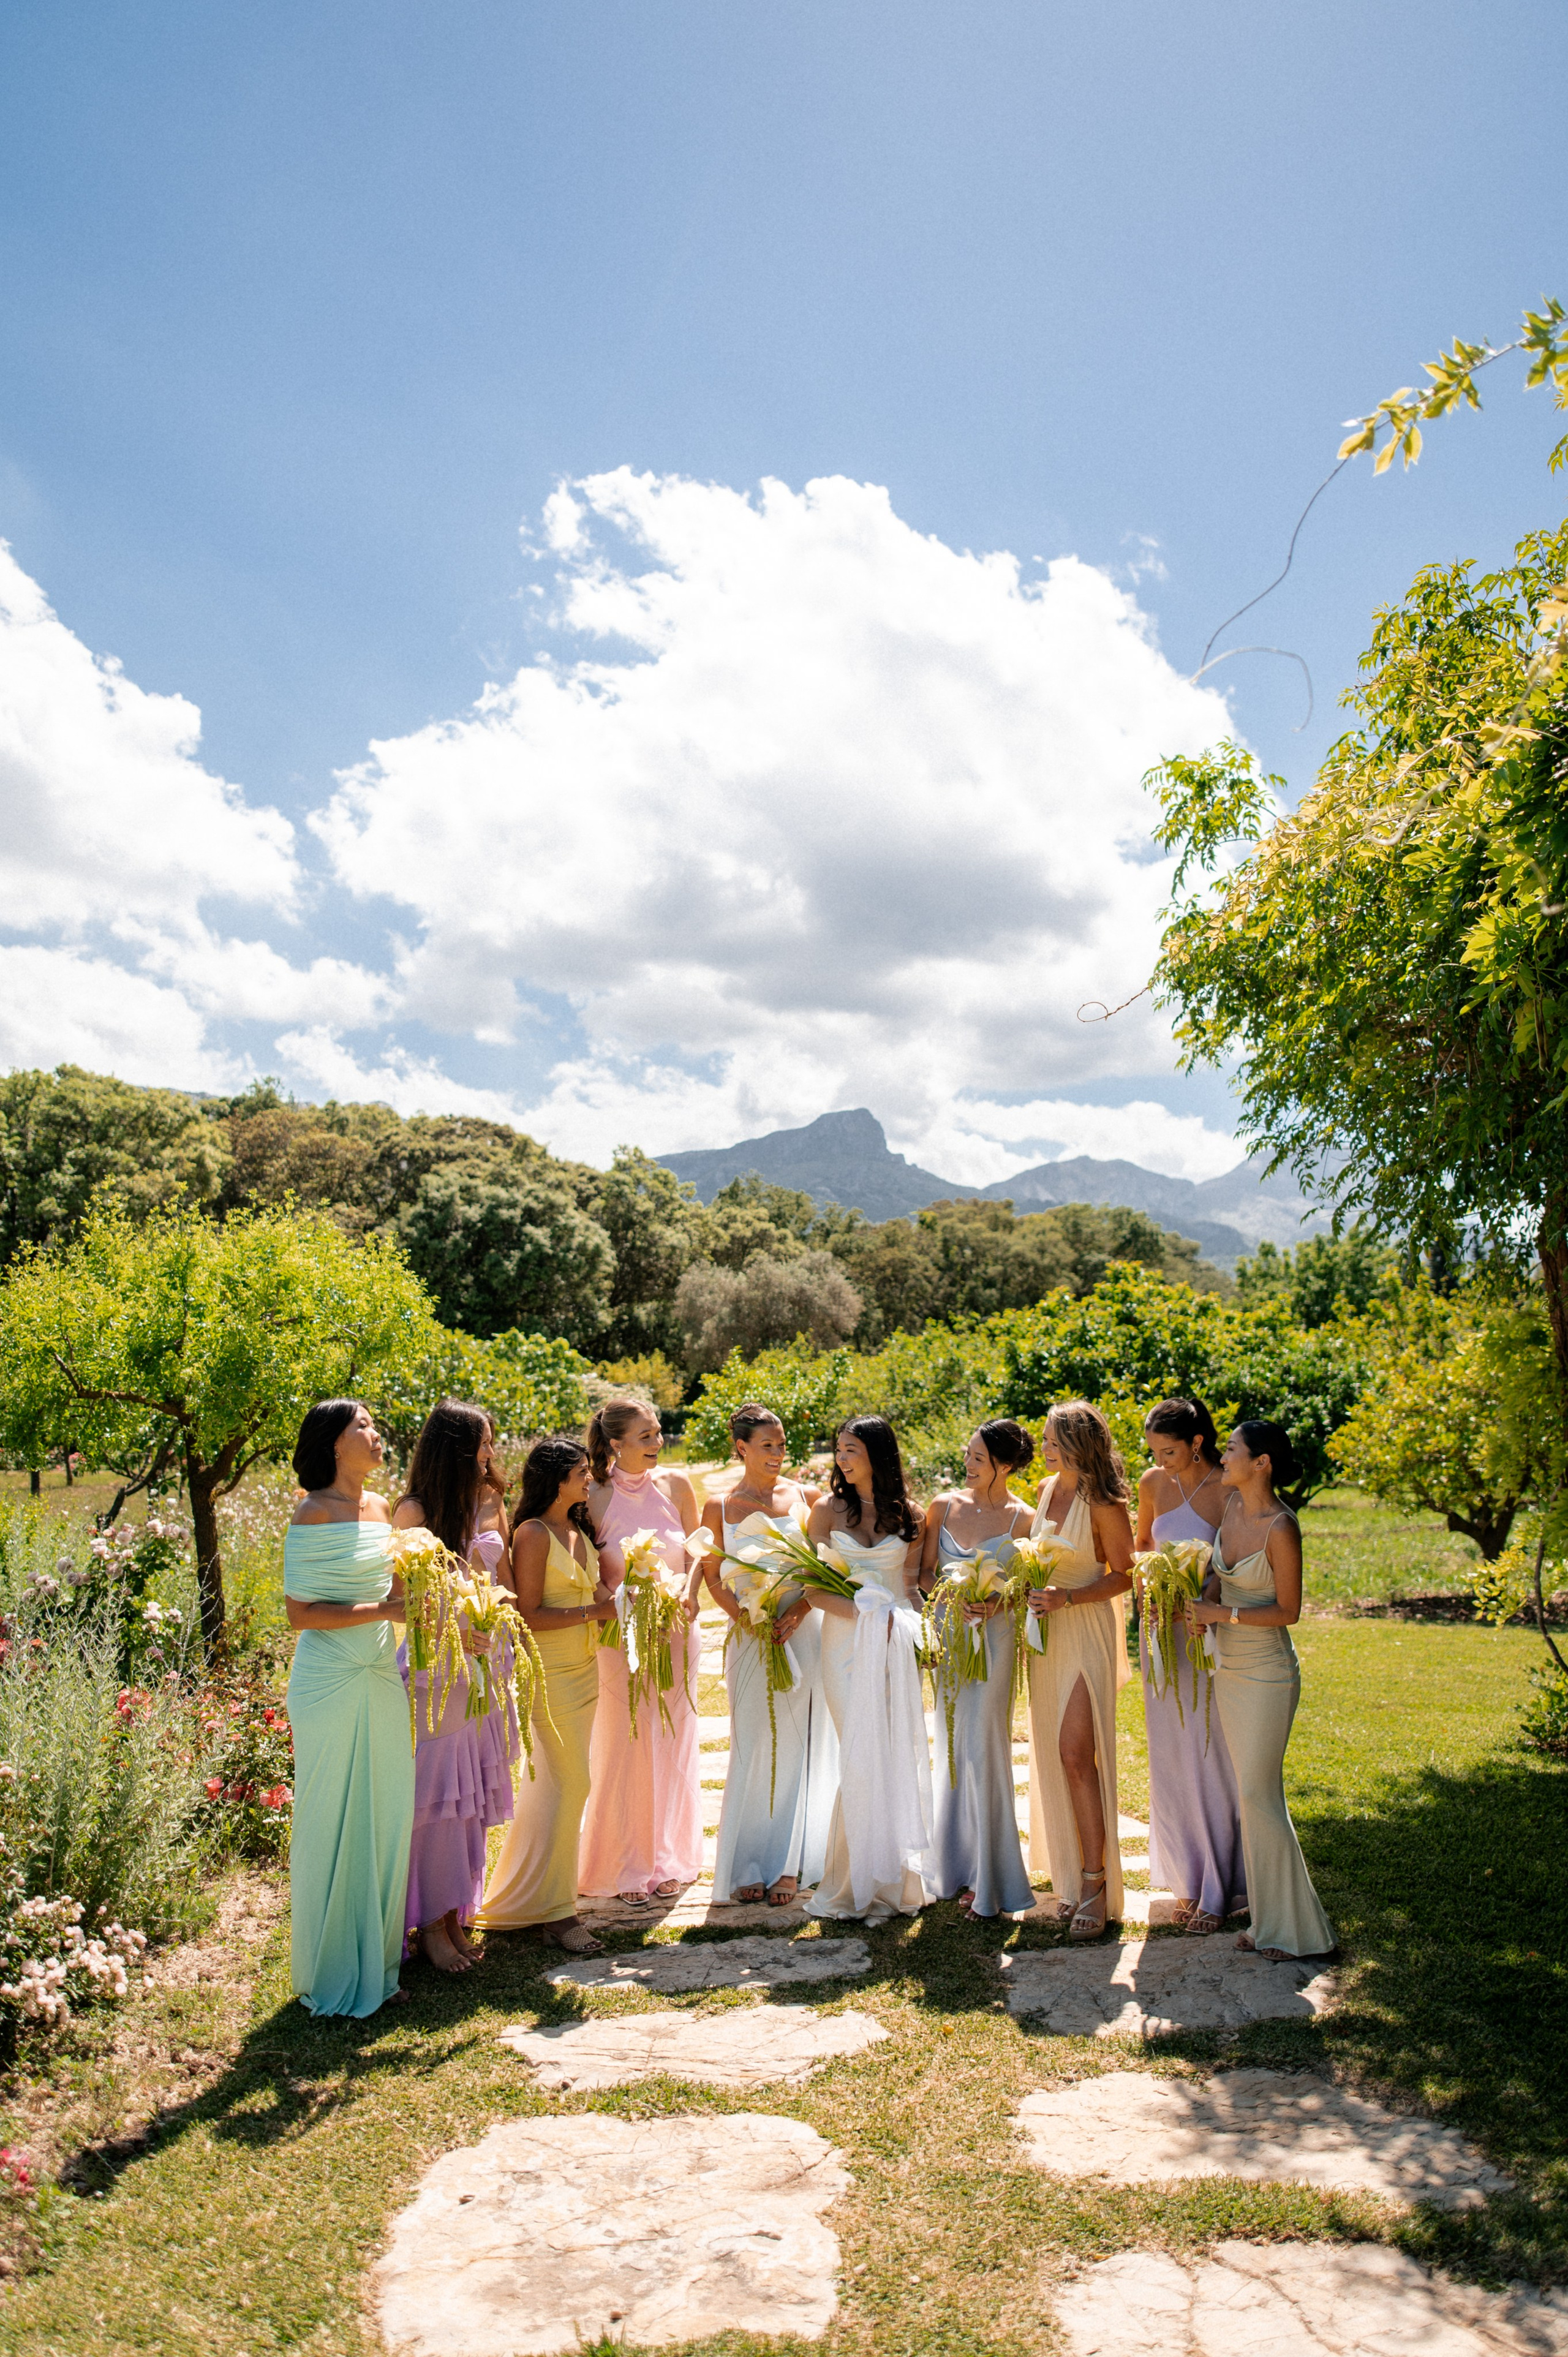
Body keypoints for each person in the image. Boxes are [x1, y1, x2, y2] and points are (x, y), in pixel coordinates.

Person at [284, 1399, 413, 2017]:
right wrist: (386, 1612)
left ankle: (379, 1963)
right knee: (331, 1814)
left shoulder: (382, 1509)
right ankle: (331, 1966)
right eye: (361, 1424)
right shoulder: (311, 1513)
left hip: (380, 1672)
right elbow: (300, 1613)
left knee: (385, 1809)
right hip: (329, 1678)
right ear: (334, 1443)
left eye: (372, 1424)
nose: (374, 1432)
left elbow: (396, 1591)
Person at [1186, 1420, 1335, 1960]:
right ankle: (1270, 1922)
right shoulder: (1229, 1510)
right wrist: (1203, 1607)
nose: (1222, 1457)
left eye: (1231, 1450)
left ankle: (1302, 1934)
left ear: (1262, 1462)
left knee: (1259, 1794)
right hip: (1228, 1669)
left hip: (1269, 1674)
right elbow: (1218, 1578)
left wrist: (1220, 1611)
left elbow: (1288, 1612)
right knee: (1252, 1799)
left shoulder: (1281, 1527)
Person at [477, 1438, 616, 1955]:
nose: (589, 1479)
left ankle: (528, 1896)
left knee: (555, 1788)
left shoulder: (576, 1529)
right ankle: (559, 1915)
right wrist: (595, 1614)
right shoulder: (533, 1534)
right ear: (556, 1479)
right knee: (573, 1784)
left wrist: (634, 1599)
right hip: (549, 1675)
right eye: (582, 1472)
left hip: (584, 1670)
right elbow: (527, 1615)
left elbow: (596, 1594)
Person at [703, 1404, 837, 1907]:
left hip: (802, 1629)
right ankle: (749, 1861)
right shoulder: (718, 1506)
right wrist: (747, 1620)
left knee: (801, 1741)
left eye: (782, 1444)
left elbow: (828, 1571)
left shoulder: (807, 1498)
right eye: (768, 1446)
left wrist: (799, 1612)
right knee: (754, 1743)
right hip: (751, 1634)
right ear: (741, 1447)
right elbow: (714, 1579)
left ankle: (789, 1865)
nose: (779, 1454)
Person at [390, 1399, 503, 1976]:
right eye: (483, 1441)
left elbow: (496, 1581)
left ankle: (456, 1913)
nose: (491, 1452)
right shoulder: (413, 1512)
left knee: (466, 1803)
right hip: (434, 1670)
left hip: (480, 1669)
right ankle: (429, 1925)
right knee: (433, 1802)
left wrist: (488, 1626)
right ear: (457, 1447)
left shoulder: (481, 1502)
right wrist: (456, 1630)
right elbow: (399, 1602)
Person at [577, 1400, 705, 1904]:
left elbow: (699, 1549)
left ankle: (668, 1858)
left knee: (674, 1741)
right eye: (646, 1436)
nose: (658, 1442)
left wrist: (693, 1594)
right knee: (624, 1744)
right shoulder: (594, 1496)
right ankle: (625, 1864)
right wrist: (614, 1602)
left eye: (657, 1433)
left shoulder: (677, 1486)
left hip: (676, 1633)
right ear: (615, 1444)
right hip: (619, 1641)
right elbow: (583, 1570)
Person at [805, 1416, 932, 1924]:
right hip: (844, 1643)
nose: (841, 1457)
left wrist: (923, 1633)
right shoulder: (825, 1510)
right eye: (839, 1448)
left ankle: (896, 1881)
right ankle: (849, 1882)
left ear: (878, 1454)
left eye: (851, 1448)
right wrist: (862, 1614)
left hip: (894, 1644)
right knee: (858, 1752)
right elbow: (812, 1589)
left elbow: (912, 1590)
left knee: (892, 1753)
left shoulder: (912, 1514)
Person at [1135, 1398, 1246, 1936]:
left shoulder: (1229, 1487)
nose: (1162, 1460)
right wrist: (1150, 1592)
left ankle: (1226, 1886)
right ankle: (1187, 1880)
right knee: (1174, 1756)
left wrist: (1205, 1600)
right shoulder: (1152, 1485)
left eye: (1171, 1450)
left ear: (1197, 1442)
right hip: (1162, 1633)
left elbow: (1232, 1561)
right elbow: (1140, 1550)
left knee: (1211, 1753)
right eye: (1155, 1450)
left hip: (1210, 1632)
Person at [1024, 1401, 1135, 1939]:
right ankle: (1071, 1876)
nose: (1041, 1446)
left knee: (1077, 1755)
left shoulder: (1103, 1501)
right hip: (1046, 1636)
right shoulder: (1048, 1492)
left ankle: (1096, 1884)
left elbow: (1123, 1575)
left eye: (1049, 1438)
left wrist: (1068, 1598)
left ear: (1075, 1444)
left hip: (1084, 1629)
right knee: (1056, 1756)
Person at [918, 1420, 1035, 1921]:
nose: (968, 1465)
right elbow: (922, 1572)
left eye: (979, 1459)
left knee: (985, 1746)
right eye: (967, 1454)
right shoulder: (943, 1506)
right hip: (949, 1640)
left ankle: (992, 1876)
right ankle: (951, 1865)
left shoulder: (1025, 1520)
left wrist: (1000, 1601)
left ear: (1005, 1466)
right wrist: (946, 1597)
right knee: (950, 1743)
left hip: (996, 1641)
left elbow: (1029, 1588)